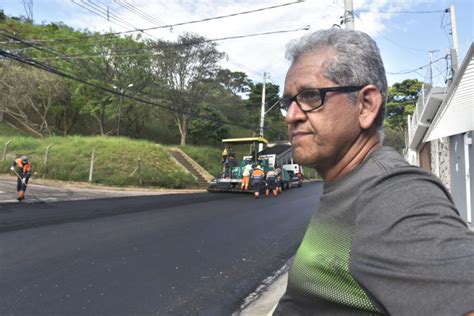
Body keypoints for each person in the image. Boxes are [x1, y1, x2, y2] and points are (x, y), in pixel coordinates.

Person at [273, 28, 474, 315]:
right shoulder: (347, 181)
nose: (292, 116)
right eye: (287, 103)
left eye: (309, 96)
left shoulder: (394, 194)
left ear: (366, 105)